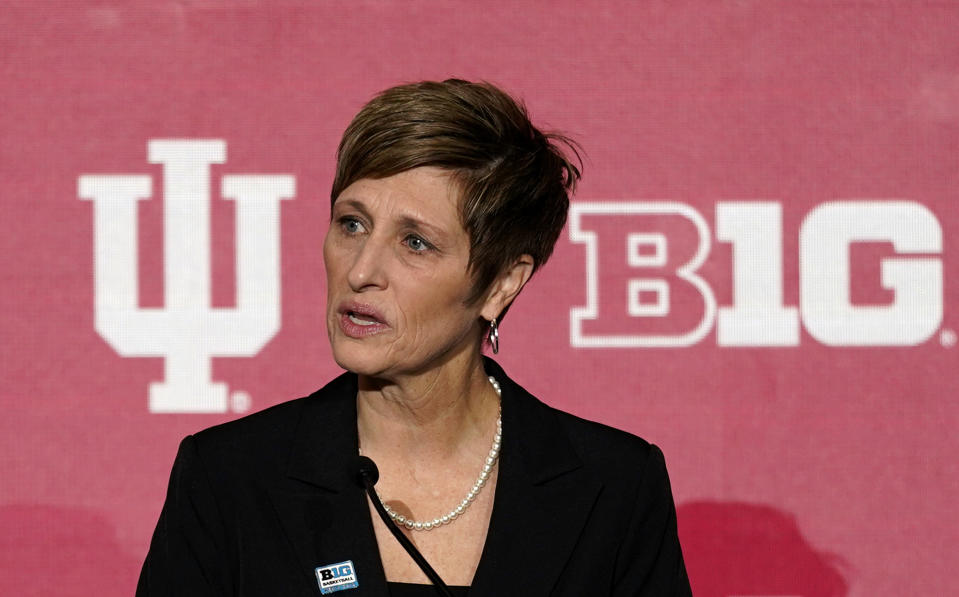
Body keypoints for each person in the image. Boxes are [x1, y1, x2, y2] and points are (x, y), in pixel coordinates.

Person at [137, 79, 691, 597]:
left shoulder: (614, 487)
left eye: (415, 243)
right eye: (351, 224)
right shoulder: (229, 479)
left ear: (501, 284)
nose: (361, 271)